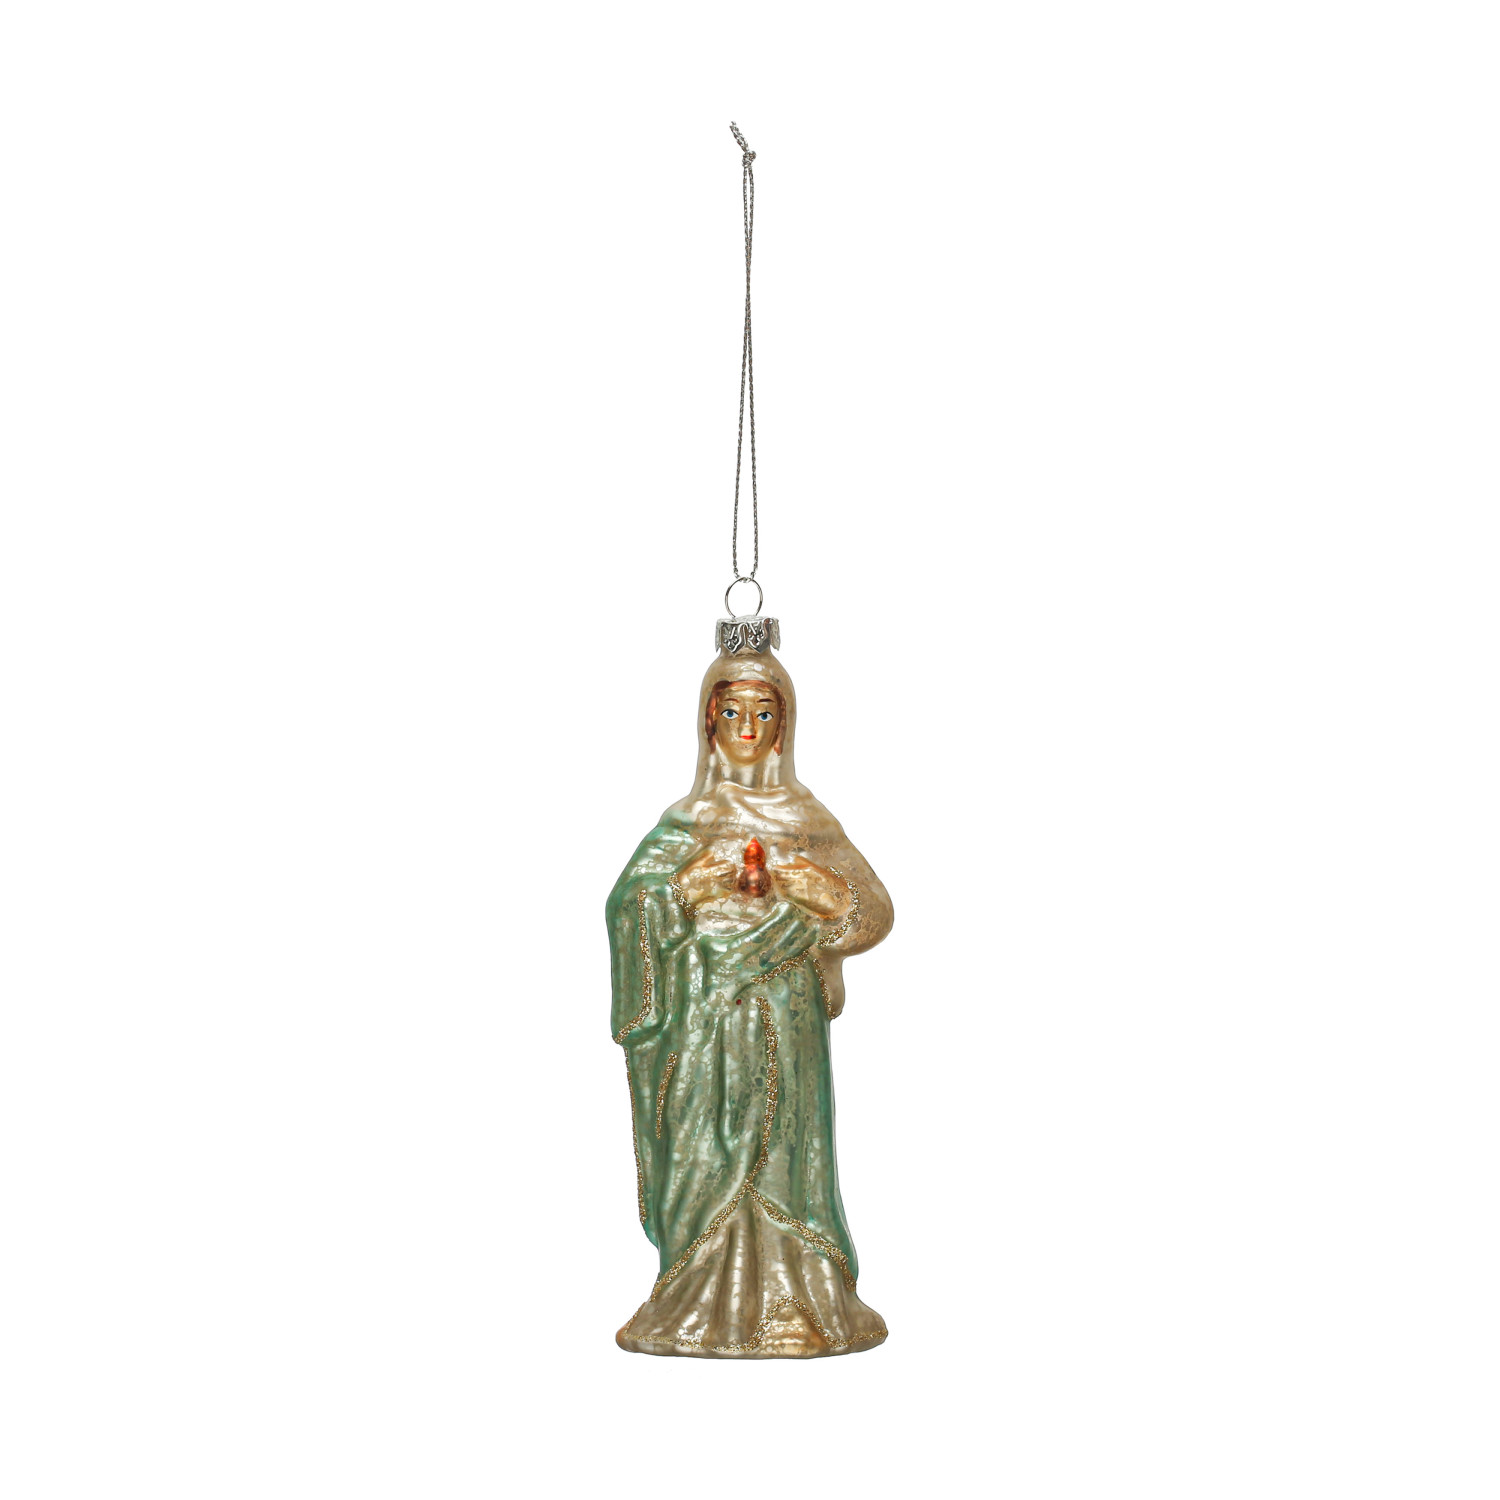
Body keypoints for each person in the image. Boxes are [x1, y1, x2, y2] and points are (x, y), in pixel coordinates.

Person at [607, 643, 893, 1357]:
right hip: (704, 1020)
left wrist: (826, 896)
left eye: (763, 714)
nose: (746, 728)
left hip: (785, 1021)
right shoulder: (685, 821)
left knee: (785, 1159)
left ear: (784, 726)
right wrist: (683, 891)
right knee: (704, 1151)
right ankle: (696, 1296)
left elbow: (873, 913)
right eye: (732, 711)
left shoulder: (805, 817)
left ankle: (798, 1301)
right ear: (708, 722)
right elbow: (627, 907)